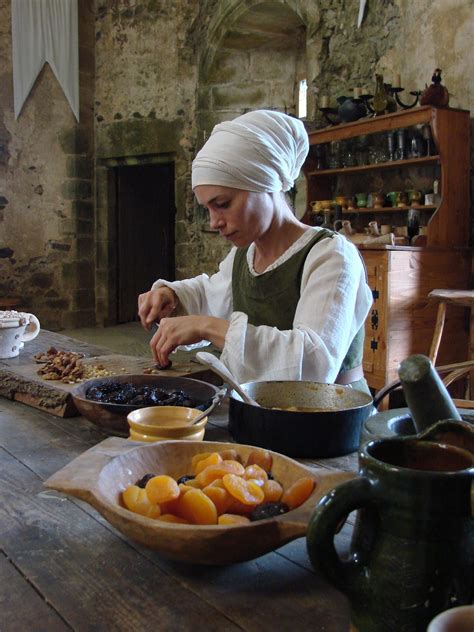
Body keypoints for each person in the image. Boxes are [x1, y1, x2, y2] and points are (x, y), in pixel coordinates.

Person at [138, 109, 373, 393]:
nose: (215, 222)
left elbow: (314, 363)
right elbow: (212, 295)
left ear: (266, 184)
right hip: (258, 410)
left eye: (222, 204)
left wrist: (207, 326)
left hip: (333, 418)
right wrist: (172, 297)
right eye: (208, 209)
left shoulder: (331, 256)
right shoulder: (244, 256)